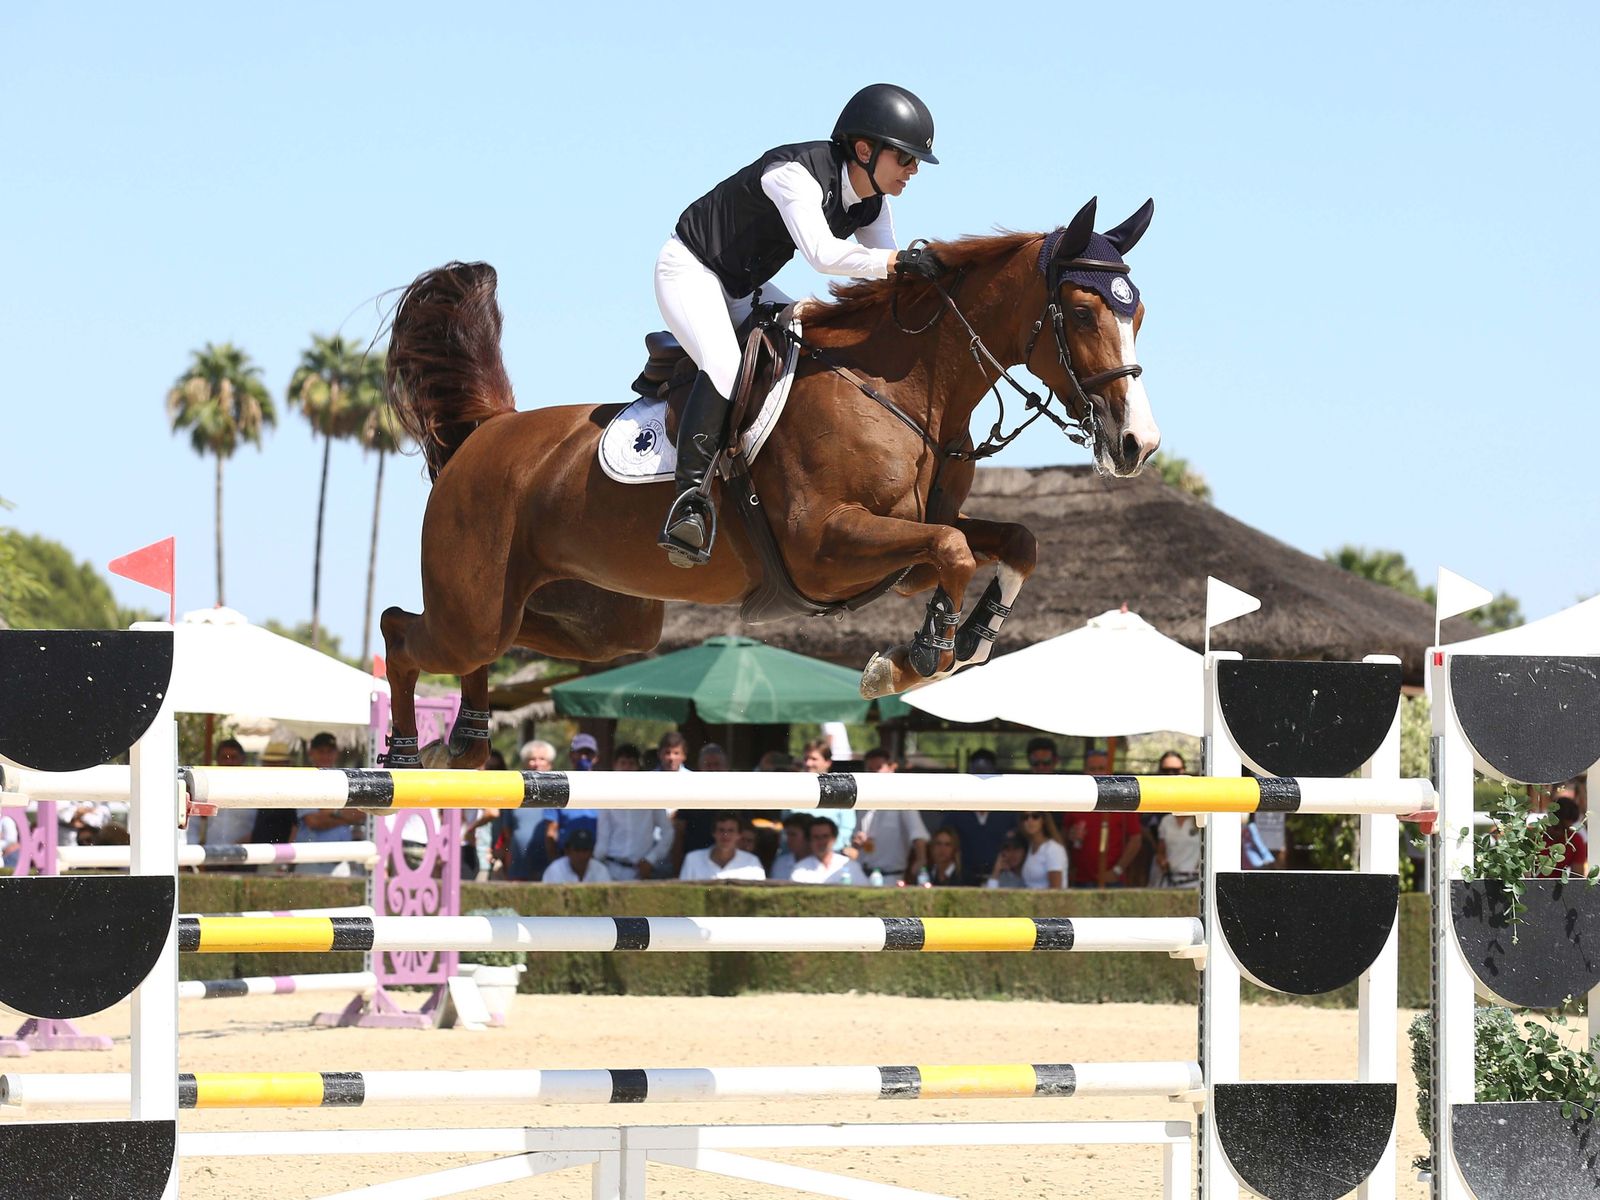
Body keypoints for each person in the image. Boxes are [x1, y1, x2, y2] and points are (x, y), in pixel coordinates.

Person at [654, 83, 942, 566]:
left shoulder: (872, 201)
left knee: (815, 332)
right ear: (865, 149)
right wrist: (899, 262)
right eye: (906, 159)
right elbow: (825, 255)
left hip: (744, 288)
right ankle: (689, 503)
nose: (913, 171)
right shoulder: (795, 174)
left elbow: (882, 274)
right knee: (725, 366)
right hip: (691, 271)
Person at [291, 732, 367, 875]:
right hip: (312, 861)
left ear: (336, 753)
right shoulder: (304, 781)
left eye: (329, 751)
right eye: (321, 751)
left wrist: (330, 812)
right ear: (311, 753)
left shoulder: (345, 779)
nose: (325, 756)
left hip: (342, 861)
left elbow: (360, 815)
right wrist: (342, 814)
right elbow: (313, 821)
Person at [594, 744, 673, 880]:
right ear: (615, 766)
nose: (626, 768)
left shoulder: (651, 795)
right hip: (610, 868)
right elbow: (603, 836)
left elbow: (668, 832)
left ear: (638, 767)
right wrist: (595, 861)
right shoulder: (606, 794)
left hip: (641, 871)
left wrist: (651, 859)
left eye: (631, 763)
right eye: (622, 763)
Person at [1066, 750, 1142, 888]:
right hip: (1081, 879)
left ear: (1109, 771)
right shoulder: (1075, 799)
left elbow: (1135, 839)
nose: (1097, 773)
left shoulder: (1122, 798)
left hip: (1112, 880)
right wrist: (1070, 835)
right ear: (1085, 771)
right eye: (1092, 769)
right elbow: (1064, 834)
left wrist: (1117, 870)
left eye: (1101, 769)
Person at [852, 748, 928, 885]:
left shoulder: (903, 798)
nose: (874, 773)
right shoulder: (863, 800)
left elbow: (918, 835)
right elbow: (854, 840)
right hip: (862, 875)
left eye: (879, 768)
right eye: (870, 769)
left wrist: (920, 861)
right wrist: (856, 841)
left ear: (892, 768)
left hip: (890, 877)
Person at [679, 812, 766, 881]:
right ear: (713, 833)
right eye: (721, 830)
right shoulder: (692, 859)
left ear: (739, 835)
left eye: (730, 830)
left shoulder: (752, 862)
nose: (725, 835)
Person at [553, 733, 601, 851]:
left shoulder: (604, 785)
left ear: (596, 757)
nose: (583, 757)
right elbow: (551, 830)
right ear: (571, 755)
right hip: (565, 856)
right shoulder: (559, 784)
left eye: (588, 753)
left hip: (598, 856)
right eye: (579, 752)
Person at [790, 816, 861, 885]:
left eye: (825, 836)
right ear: (809, 840)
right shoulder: (800, 869)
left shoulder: (850, 865)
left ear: (834, 838)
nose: (821, 841)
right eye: (816, 837)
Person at [1016, 811, 1068, 889]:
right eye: (1025, 817)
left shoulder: (1053, 849)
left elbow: (1056, 890)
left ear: (1043, 820)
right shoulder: (1030, 847)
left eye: (1035, 816)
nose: (1030, 821)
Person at [541, 827, 612, 884]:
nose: (581, 855)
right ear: (567, 851)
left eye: (585, 850)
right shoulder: (555, 870)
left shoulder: (601, 870)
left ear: (591, 852)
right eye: (577, 850)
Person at [769, 812, 813, 881]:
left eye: (793, 834)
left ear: (808, 836)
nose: (788, 839)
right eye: (787, 834)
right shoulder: (780, 863)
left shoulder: (822, 862)